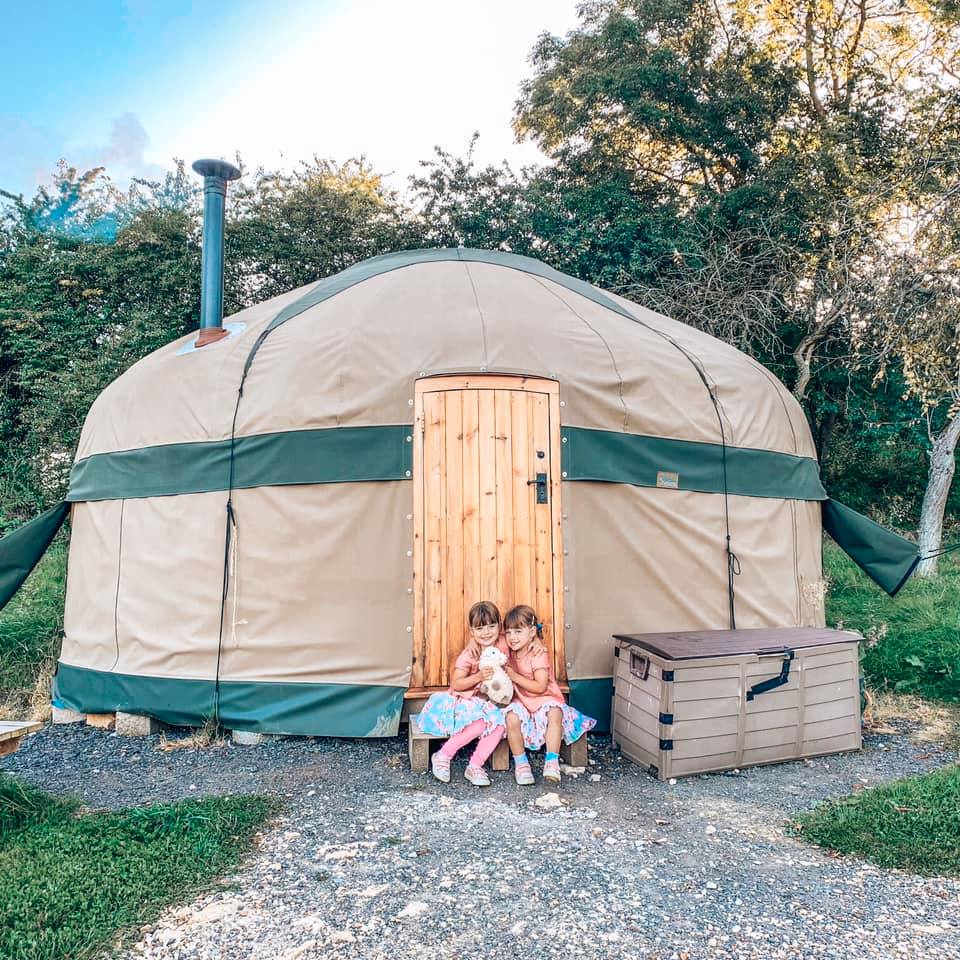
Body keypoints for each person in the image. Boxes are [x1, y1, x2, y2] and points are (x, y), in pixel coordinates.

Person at [416, 600, 508, 786]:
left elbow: (524, 635)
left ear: (500, 627)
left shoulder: (503, 644)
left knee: (499, 724)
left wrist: (537, 642)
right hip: (467, 699)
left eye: (492, 626)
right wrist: (478, 676)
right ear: (471, 631)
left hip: (490, 702)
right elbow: (457, 684)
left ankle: (475, 765)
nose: (487, 632)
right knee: (480, 723)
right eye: (480, 629)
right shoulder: (470, 654)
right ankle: (443, 755)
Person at [503, 604, 596, 785]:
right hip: (521, 700)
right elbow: (492, 637)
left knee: (554, 713)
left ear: (531, 632)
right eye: (508, 632)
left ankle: (551, 761)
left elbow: (540, 686)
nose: (512, 637)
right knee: (511, 718)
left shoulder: (537, 655)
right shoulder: (509, 651)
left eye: (518, 631)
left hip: (543, 698)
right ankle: (521, 763)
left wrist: (514, 676)